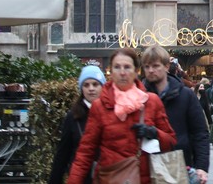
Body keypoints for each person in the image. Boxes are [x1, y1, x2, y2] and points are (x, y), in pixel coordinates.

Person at [67, 48, 177, 184]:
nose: (122, 72)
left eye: (127, 67)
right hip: (110, 178)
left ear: (136, 71)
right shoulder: (99, 106)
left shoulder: (151, 102)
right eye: (117, 67)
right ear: (111, 71)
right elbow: (85, 153)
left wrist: (154, 133)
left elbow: (171, 142)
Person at [141, 45, 210, 184]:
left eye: (155, 66)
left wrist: (201, 167)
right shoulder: (138, 96)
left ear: (167, 66)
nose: (151, 70)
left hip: (179, 164)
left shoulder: (186, 95)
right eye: (147, 66)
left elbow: (200, 133)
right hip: (145, 166)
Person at [49, 65, 106, 184]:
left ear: (102, 86)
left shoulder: (112, 112)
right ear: (81, 89)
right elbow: (63, 153)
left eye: (95, 84)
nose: (91, 89)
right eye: (86, 85)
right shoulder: (73, 116)